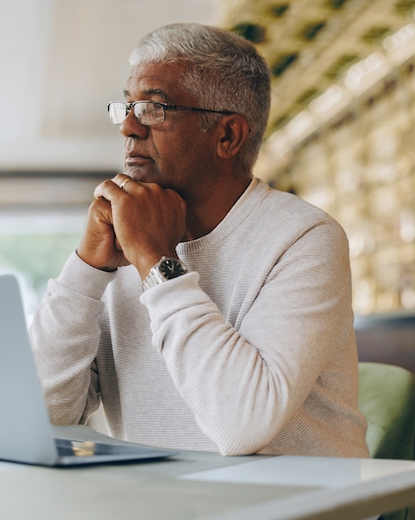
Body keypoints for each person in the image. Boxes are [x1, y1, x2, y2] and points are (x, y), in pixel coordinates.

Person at [29, 23, 369, 457]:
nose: (128, 128)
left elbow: (241, 427)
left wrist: (156, 262)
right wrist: (85, 270)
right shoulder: (122, 240)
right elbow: (43, 416)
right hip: (166, 499)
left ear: (227, 136)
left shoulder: (304, 237)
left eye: (154, 109)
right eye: (127, 107)